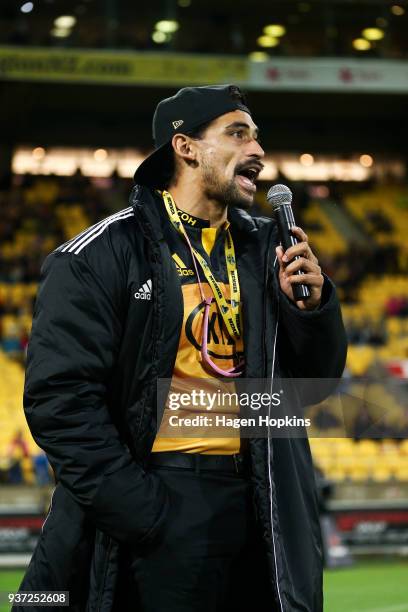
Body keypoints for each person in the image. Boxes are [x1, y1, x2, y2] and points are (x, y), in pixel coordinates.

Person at [16, 85, 347, 612]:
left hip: (260, 502)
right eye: (238, 134)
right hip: (162, 499)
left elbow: (313, 389)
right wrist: (143, 511)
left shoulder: (270, 252)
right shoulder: (99, 254)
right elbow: (60, 401)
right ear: (186, 147)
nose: (258, 151)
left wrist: (312, 312)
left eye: (258, 137)